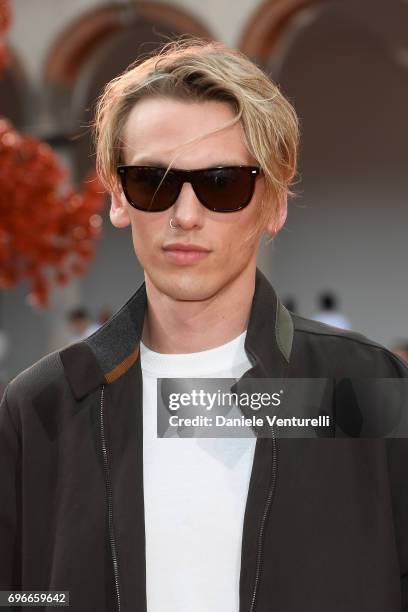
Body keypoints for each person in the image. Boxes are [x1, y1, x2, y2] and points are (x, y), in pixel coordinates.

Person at [1, 38, 407, 612]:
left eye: (222, 183)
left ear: (274, 204)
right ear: (117, 197)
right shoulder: (41, 409)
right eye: (153, 182)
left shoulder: (369, 392)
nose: (184, 215)